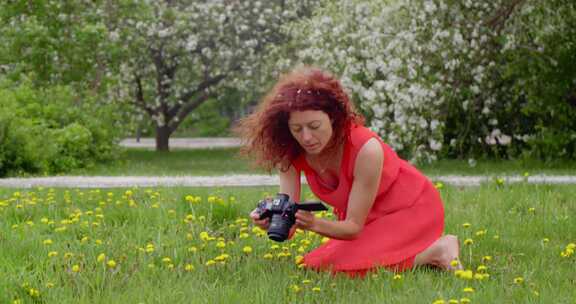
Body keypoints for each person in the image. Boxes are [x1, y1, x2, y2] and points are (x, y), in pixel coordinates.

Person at [235, 66, 460, 277]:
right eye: (297, 129)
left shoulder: (366, 149)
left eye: (314, 126)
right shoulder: (290, 153)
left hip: (410, 210)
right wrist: (272, 222)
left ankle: (436, 250)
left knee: (347, 270)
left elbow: (352, 228)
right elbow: (289, 222)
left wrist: (313, 223)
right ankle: (420, 254)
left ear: (333, 118)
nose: (306, 137)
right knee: (314, 266)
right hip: (367, 220)